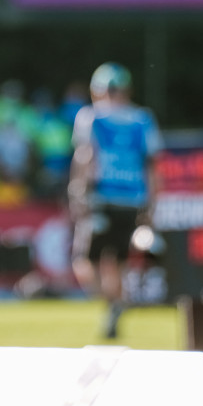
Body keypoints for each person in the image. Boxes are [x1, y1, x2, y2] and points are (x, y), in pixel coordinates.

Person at [68, 62, 162, 339]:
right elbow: (152, 166)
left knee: (84, 261)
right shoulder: (143, 119)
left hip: (101, 198)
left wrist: (77, 193)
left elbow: (85, 157)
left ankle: (111, 302)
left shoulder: (91, 117)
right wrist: (152, 205)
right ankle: (117, 304)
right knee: (117, 263)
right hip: (133, 200)